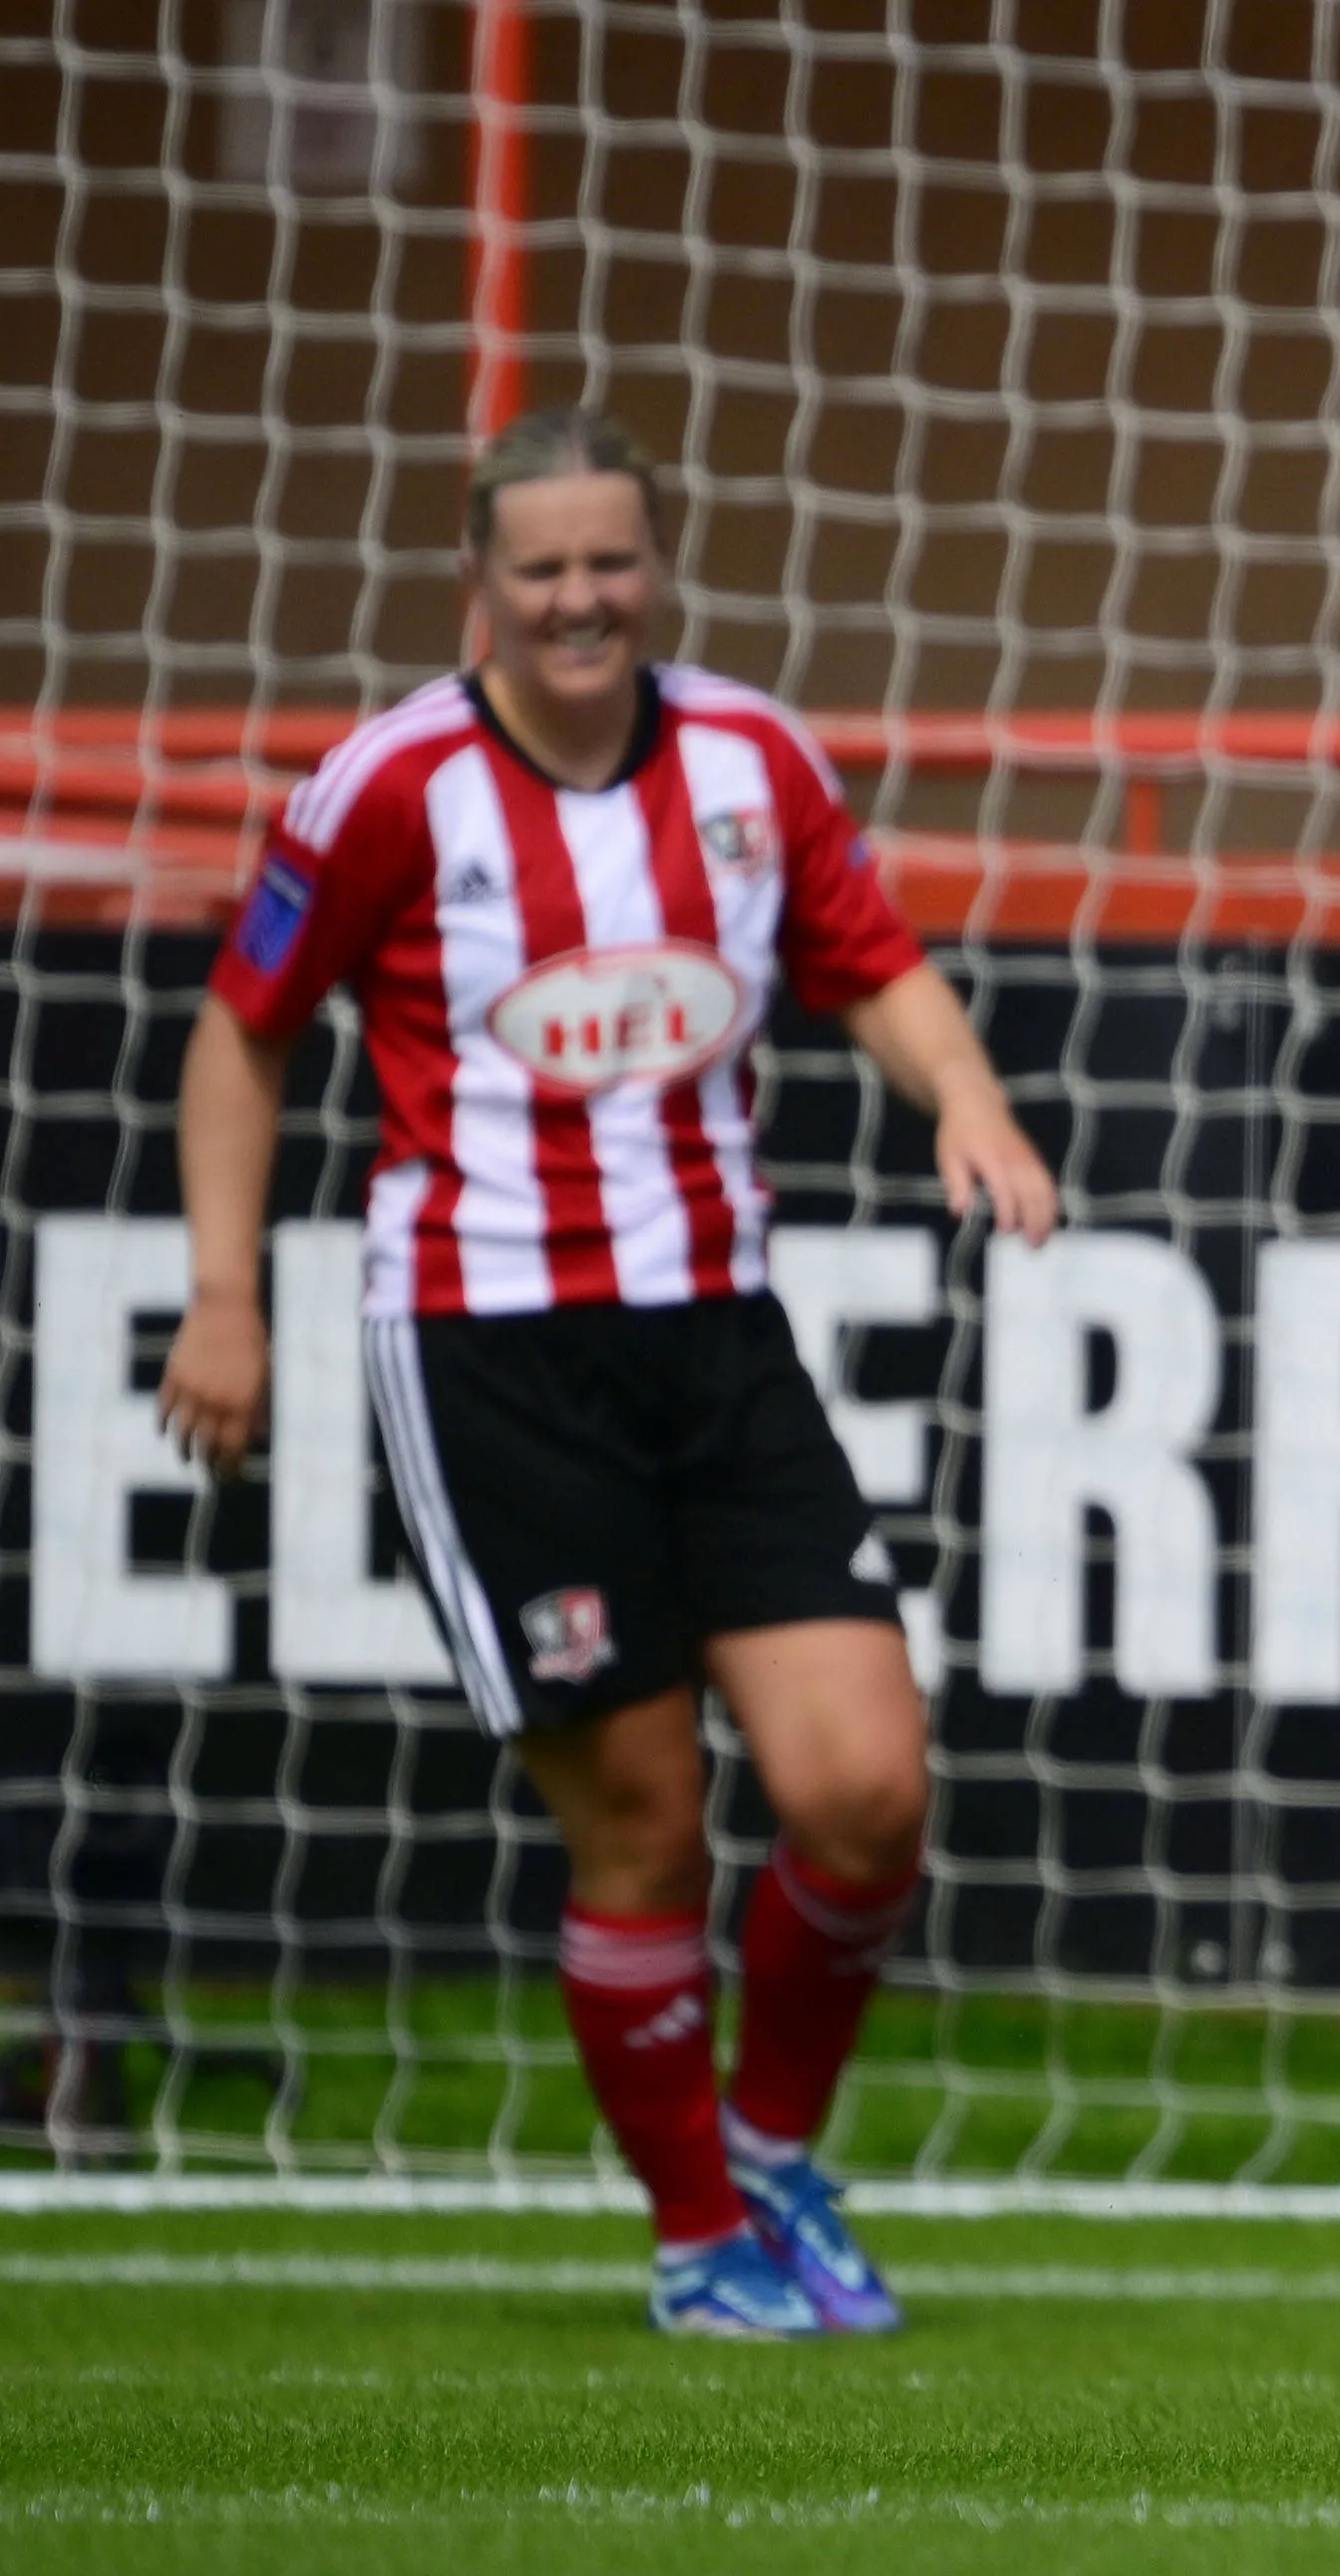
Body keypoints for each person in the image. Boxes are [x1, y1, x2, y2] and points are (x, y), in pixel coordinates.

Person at [154, 408, 1059, 2337]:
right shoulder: (389, 786)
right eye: (544, 566)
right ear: (479, 581)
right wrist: (224, 1293)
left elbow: (868, 958)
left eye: (611, 562)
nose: (582, 598)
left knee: (867, 1792)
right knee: (644, 1818)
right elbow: (243, 1030)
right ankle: (701, 2244)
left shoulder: (749, 757)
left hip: (720, 1336)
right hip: (489, 1351)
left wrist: (966, 1096)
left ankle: (776, 2157)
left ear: (659, 566)